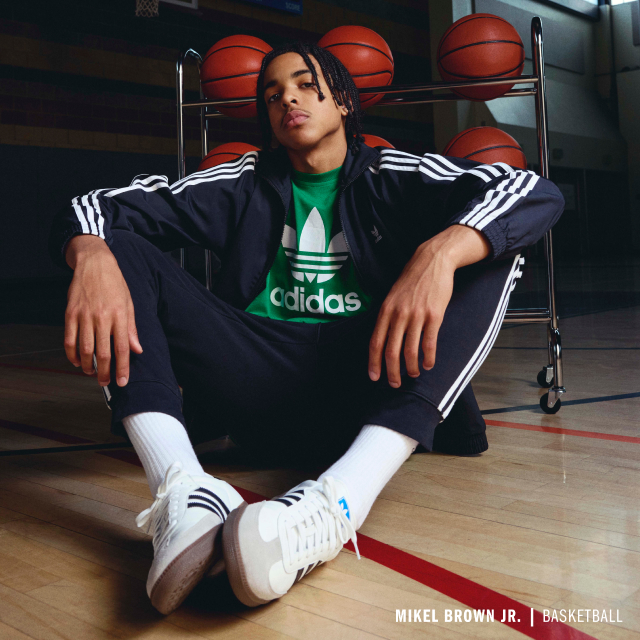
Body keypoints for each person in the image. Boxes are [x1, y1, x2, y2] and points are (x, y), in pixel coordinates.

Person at [48, 42, 564, 614]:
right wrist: (92, 254)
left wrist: (439, 253)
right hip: (256, 380)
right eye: (272, 95)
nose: (287, 97)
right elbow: (93, 204)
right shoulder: (239, 183)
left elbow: (531, 190)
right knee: (113, 245)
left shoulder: (392, 174)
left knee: (489, 243)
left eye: (303, 83)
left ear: (343, 100)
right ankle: (184, 491)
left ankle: (337, 504)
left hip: (368, 377)